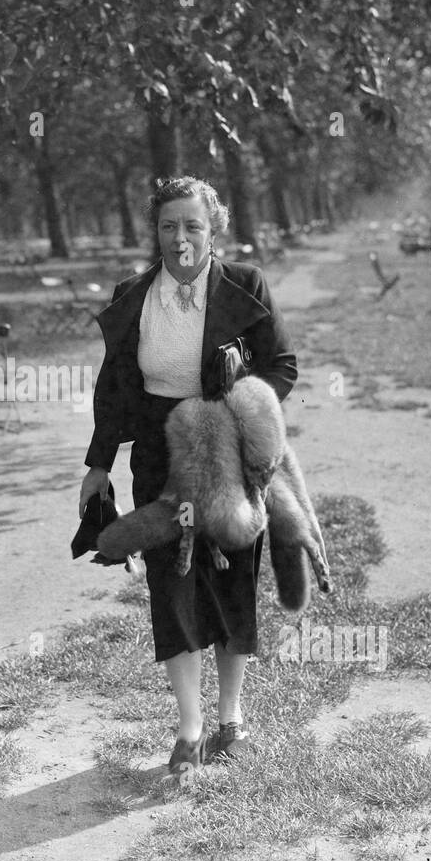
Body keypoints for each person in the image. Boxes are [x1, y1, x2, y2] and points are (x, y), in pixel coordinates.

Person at [78, 175, 298, 774]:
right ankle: (190, 726)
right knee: (171, 587)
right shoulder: (134, 295)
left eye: (193, 226)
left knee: (230, 580)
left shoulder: (245, 287)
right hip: (158, 456)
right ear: (156, 230)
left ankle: (232, 719)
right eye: (169, 225)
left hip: (226, 456)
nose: (181, 238)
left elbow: (283, 366)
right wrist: (98, 465)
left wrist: (242, 406)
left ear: (212, 229)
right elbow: (114, 392)